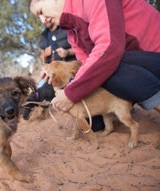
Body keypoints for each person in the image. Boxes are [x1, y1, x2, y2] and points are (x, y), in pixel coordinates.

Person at [29, 0, 160, 127]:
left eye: (41, 11)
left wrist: (71, 94)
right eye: (38, 16)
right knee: (95, 122)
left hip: (153, 55)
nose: (42, 20)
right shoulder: (72, 32)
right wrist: (56, 76)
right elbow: (84, 65)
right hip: (139, 66)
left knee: (106, 65)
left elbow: (109, 48)